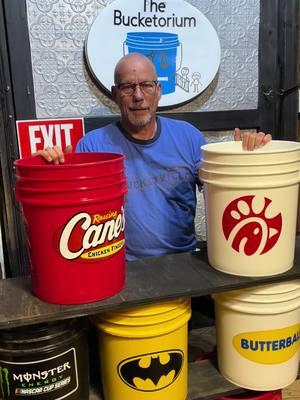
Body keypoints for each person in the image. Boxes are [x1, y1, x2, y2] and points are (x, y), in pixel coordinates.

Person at [37, 53, 272, 261]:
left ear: (158, 91)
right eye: (128, 87)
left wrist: (248, 158)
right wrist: (49, 171)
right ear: (115, 94)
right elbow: (67, 215)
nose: (138, 95)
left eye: (146, 85)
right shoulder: (92, 146)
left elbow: (228, 193)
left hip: (185, 263)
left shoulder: (189, 137)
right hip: (118, 267)